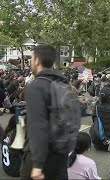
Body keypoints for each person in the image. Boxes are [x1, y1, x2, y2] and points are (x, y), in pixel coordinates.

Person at [20, 45, 78, 179]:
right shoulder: (64, 83)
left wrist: (37, 165)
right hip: (61, 152)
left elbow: (37, 126)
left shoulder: (35, 86)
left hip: (40, 156)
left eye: (31, 59)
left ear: (37, 60)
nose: (30, 62)